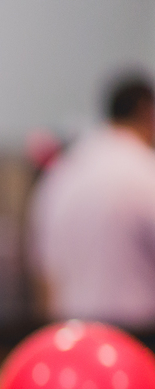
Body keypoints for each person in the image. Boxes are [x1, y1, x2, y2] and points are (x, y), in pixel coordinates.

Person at [29, 74, 155, 329]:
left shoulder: (63, 172)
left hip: (70, 335)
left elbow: (43, 275)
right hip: (137, 339)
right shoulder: (144, 172)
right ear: (146, 111)